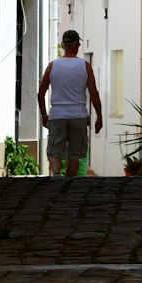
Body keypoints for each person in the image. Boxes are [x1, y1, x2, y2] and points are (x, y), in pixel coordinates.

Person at [37, 30, 103, 177]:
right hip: (78, 115)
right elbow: (94, 94)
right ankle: (69, 182)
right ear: (77, 45)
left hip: (57, 115)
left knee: (55, 150)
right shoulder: (85, 66)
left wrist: (44, 114)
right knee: (75, 153)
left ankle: (56, 174)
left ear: (62, 45)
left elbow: (40, 93)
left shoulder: (52, 66)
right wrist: (99, 117)